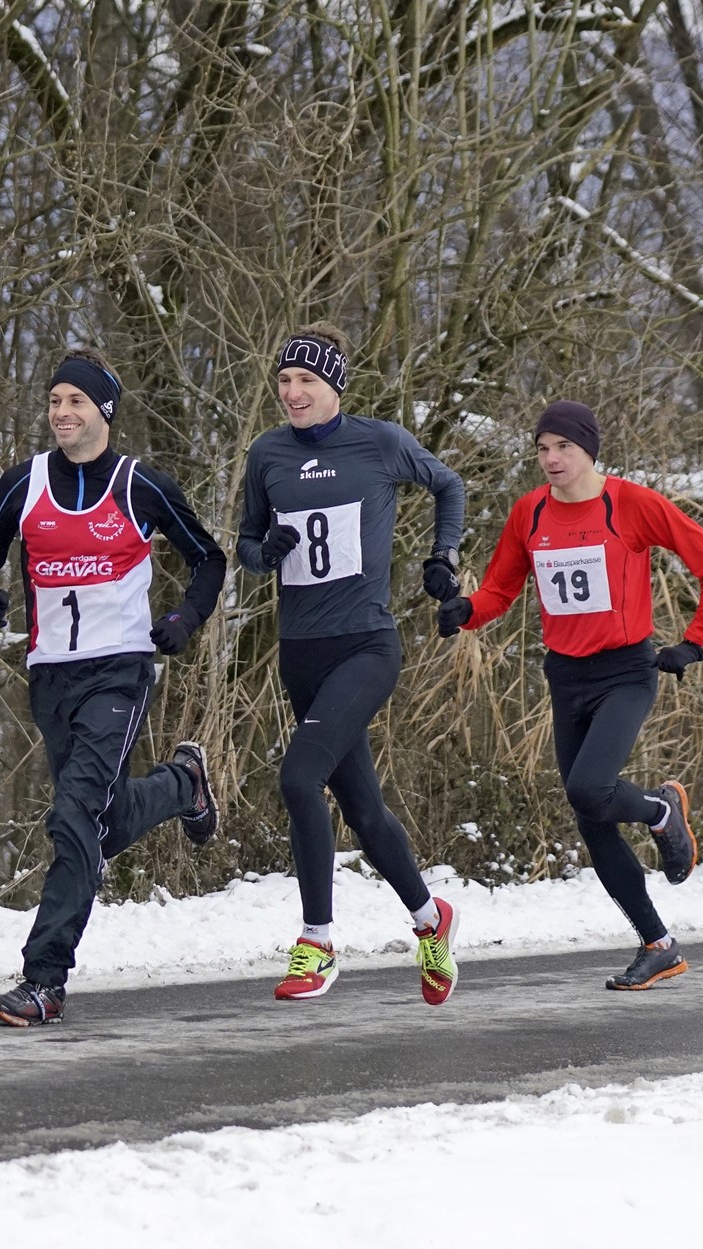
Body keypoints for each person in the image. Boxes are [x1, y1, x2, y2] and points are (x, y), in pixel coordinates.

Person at [0, 348, 227, 1026]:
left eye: (75, 402)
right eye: (54, 401)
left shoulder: (142, 485)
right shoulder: (24, 484)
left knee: (74, 815)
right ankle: (182, 784)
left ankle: (44, 979)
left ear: (104, 411)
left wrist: (184, 616)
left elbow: (208, 557)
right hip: (51, 676)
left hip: (120, 671)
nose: (61, 413)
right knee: (99, 824)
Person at [437, 401, 703, 990]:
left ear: (589, 451)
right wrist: (466, 611)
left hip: (626, 672)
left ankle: (660, 811)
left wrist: (695, 643)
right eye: (542, 448)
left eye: (562, 447)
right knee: (590, 815)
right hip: (565, 676)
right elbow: (501, 588)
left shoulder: (630, 504)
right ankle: (659, 944)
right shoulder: (530, 511)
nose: (550, 459)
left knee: (589, 787)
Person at [235, 324, 466, 1003]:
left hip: (366, 645)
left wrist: (442, 556)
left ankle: (317, 942)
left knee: (299, 777)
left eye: (306, 380)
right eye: (284, 380)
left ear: (334, 385)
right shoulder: (266, 454)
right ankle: (432, 918)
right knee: (363, 808)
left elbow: (448, 485)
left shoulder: (379, 442)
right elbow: (246, 546)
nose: (293, 392)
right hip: (299, 654)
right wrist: (264, 551)